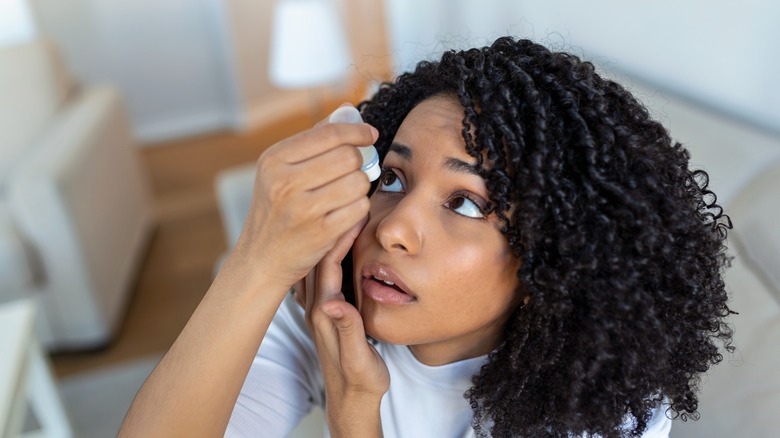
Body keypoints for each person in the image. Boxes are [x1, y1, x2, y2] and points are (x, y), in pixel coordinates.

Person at [119, 37, 734, 437]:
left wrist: (354, 407)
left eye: (465, 202)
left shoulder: (595, 404)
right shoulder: (329, 307)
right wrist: (254, 264)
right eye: (393, 176)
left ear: (555, 259)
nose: (394, 228)